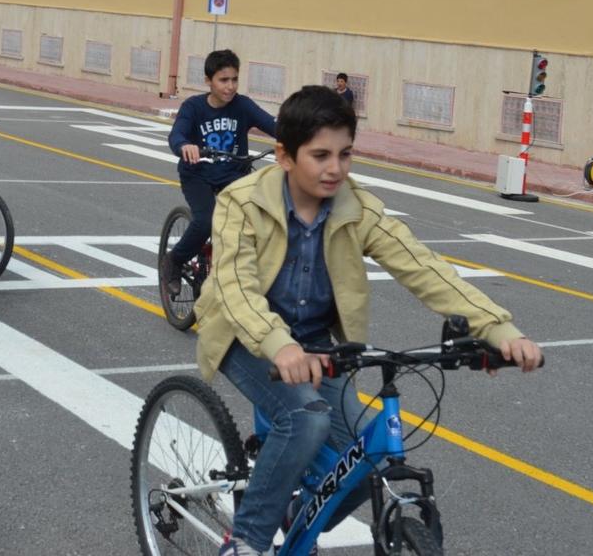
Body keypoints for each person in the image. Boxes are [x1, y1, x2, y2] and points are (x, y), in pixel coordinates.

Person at [194, 86, 544, 556]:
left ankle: (299, 514)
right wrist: (280, 344)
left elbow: (423, 268)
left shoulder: (357, 208)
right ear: (284, 156)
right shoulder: (242, 202)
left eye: (345, 154)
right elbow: (237, 286)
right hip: (245, 335)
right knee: (305, 420)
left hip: (318, 344)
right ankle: (247, 542)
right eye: (320, 155)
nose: (335, 168)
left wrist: (497, 330)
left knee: (368, 458)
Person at [161, 49, 277, 296]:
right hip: (198, 175)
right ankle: (174, 260)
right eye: (223, 80)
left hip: (233, 174)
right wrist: (185, 146)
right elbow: (177, 134)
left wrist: (296, 139)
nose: (230, 86)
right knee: (206, 221)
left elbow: (274, 126)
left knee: (262, 216)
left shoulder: (242, 106)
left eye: (234, 79)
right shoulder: (193, 107)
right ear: (208, 80)